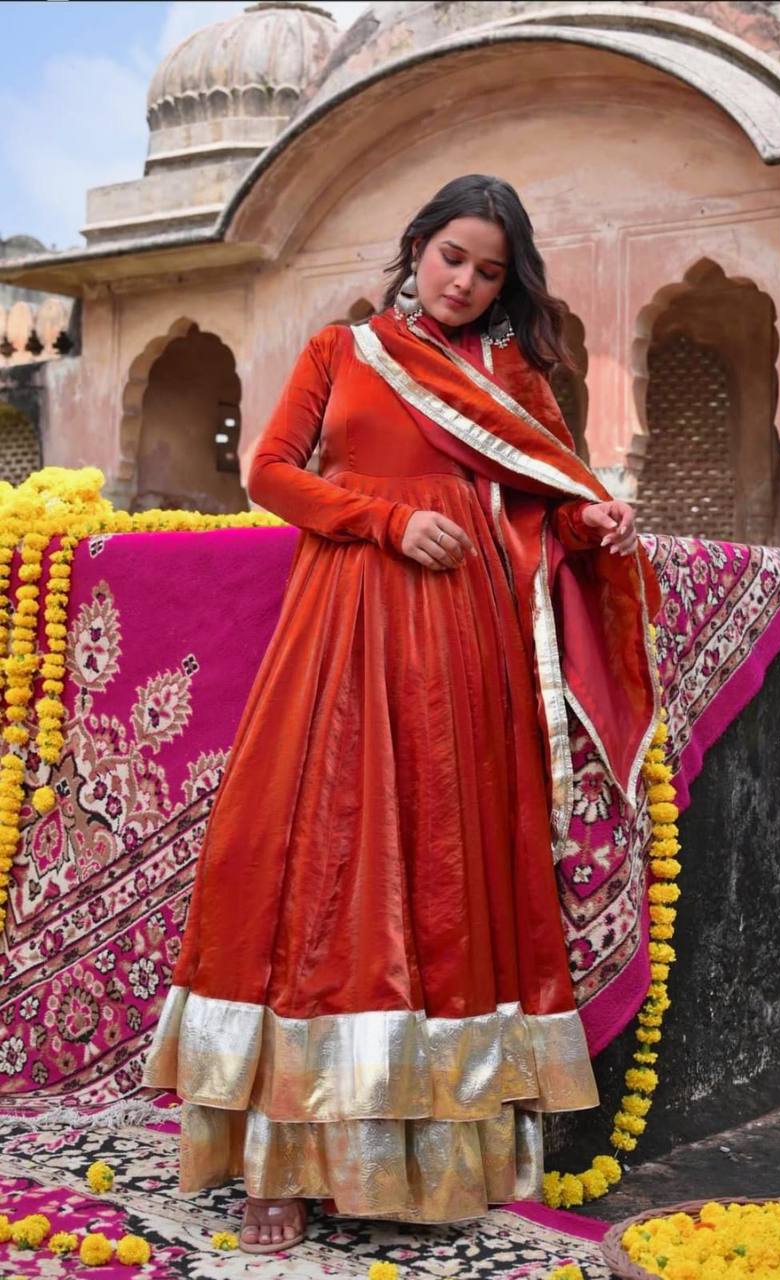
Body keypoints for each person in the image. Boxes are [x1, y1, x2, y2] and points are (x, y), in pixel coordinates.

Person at [143, 174, 660, 1253]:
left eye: (486, 268)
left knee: (442, 866)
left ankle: (428, 1157)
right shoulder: (345, 352)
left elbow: (548, 504)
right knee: (317, 854)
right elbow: (271, 473)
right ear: (416, 246)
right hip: (346, 620)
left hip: (465, 642)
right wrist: (379, 520)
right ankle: (276, 1158)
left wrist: (594, 518)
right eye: (450, 257)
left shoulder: (509, 370)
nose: (465, 282)